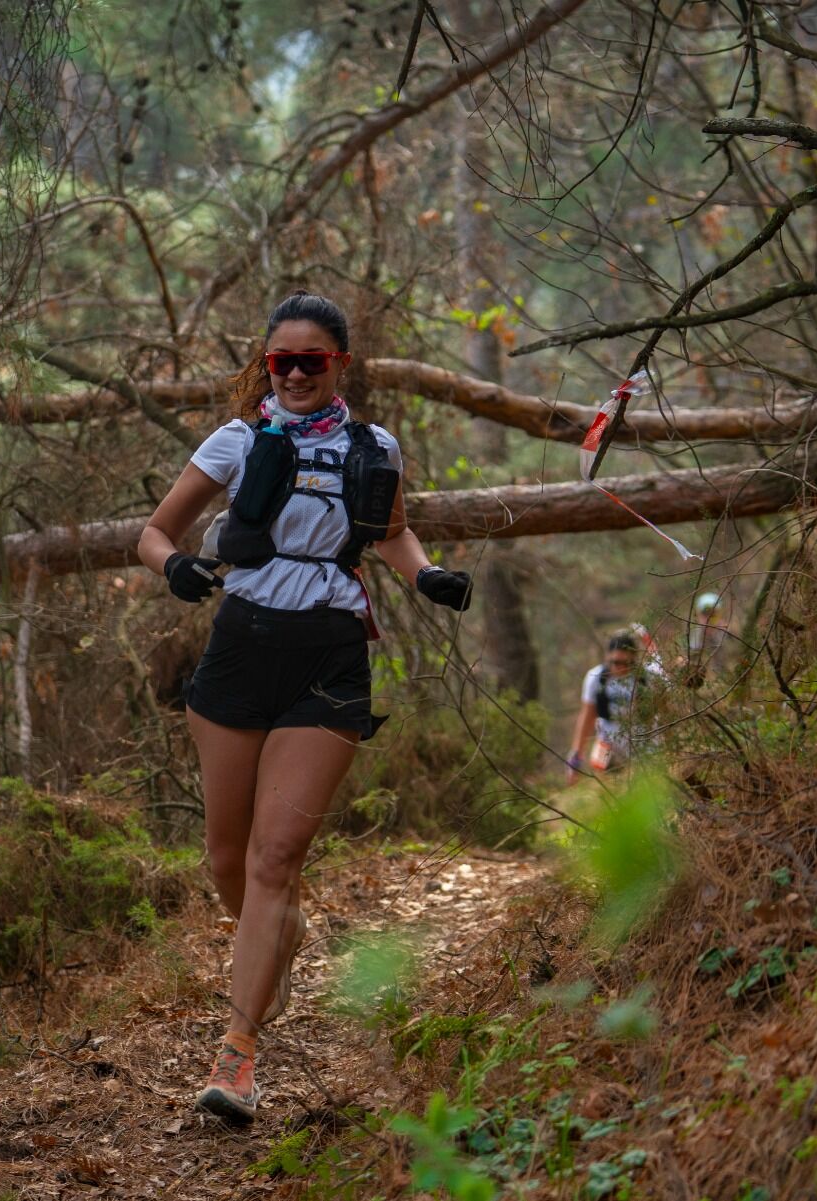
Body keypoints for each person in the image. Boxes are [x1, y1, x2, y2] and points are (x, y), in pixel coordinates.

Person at [137, 291, 472, 1123]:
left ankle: (237, 1058)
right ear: (266, 364)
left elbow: (388, 529)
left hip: (329, 654)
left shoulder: (374, 446)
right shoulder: (238, 440)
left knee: (274, 859)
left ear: (339, 367)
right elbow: (153, 533)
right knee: (228, 860)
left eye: (310, 361)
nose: (292, 373)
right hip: (241, 645)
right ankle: (275, 944)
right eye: (279, 360)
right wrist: (173, 567)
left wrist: (424, 574)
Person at [565, 630, 649, 785]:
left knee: (641, 784)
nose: (621, 667)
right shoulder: (595, 678)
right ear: (608, 658)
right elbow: (587, 716)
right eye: (616, 662)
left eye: (627, 663)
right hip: (607, 738)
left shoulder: (645, 678)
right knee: (605, 780)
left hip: (640, 737)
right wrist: (576, 756)